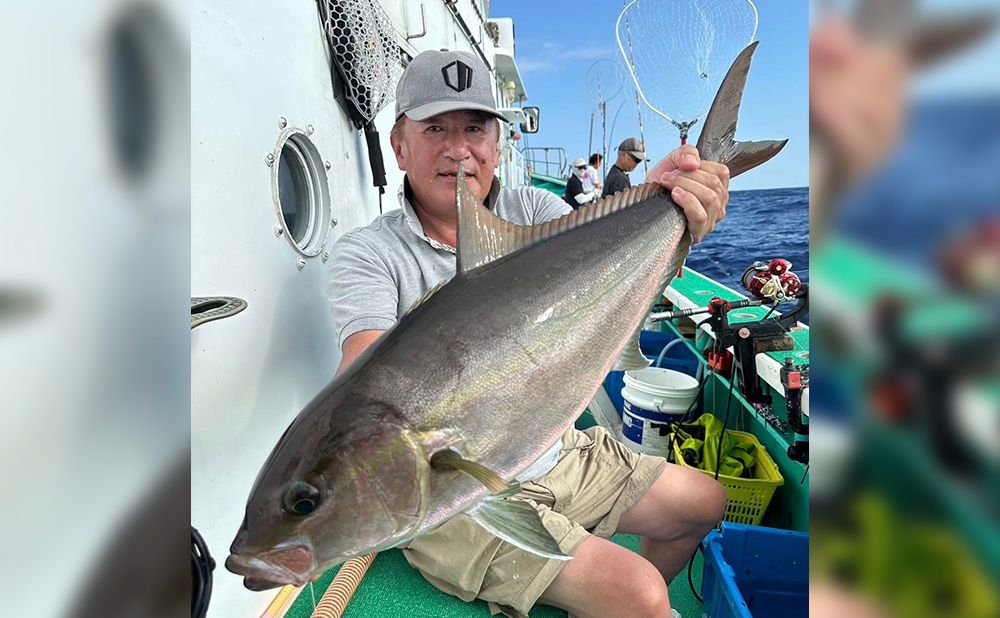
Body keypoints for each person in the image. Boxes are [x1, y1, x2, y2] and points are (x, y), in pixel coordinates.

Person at [328, 49, 730, 618]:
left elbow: (621, 256)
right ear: (399, 145)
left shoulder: (537, 213)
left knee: (704, 502)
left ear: (497, 145)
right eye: (435, 128)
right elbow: (363, 364)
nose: (458, 149)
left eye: (474, 128)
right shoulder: (369, 254)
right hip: (446, 487)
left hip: (550, 446)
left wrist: (676, 204)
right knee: (641, 595)